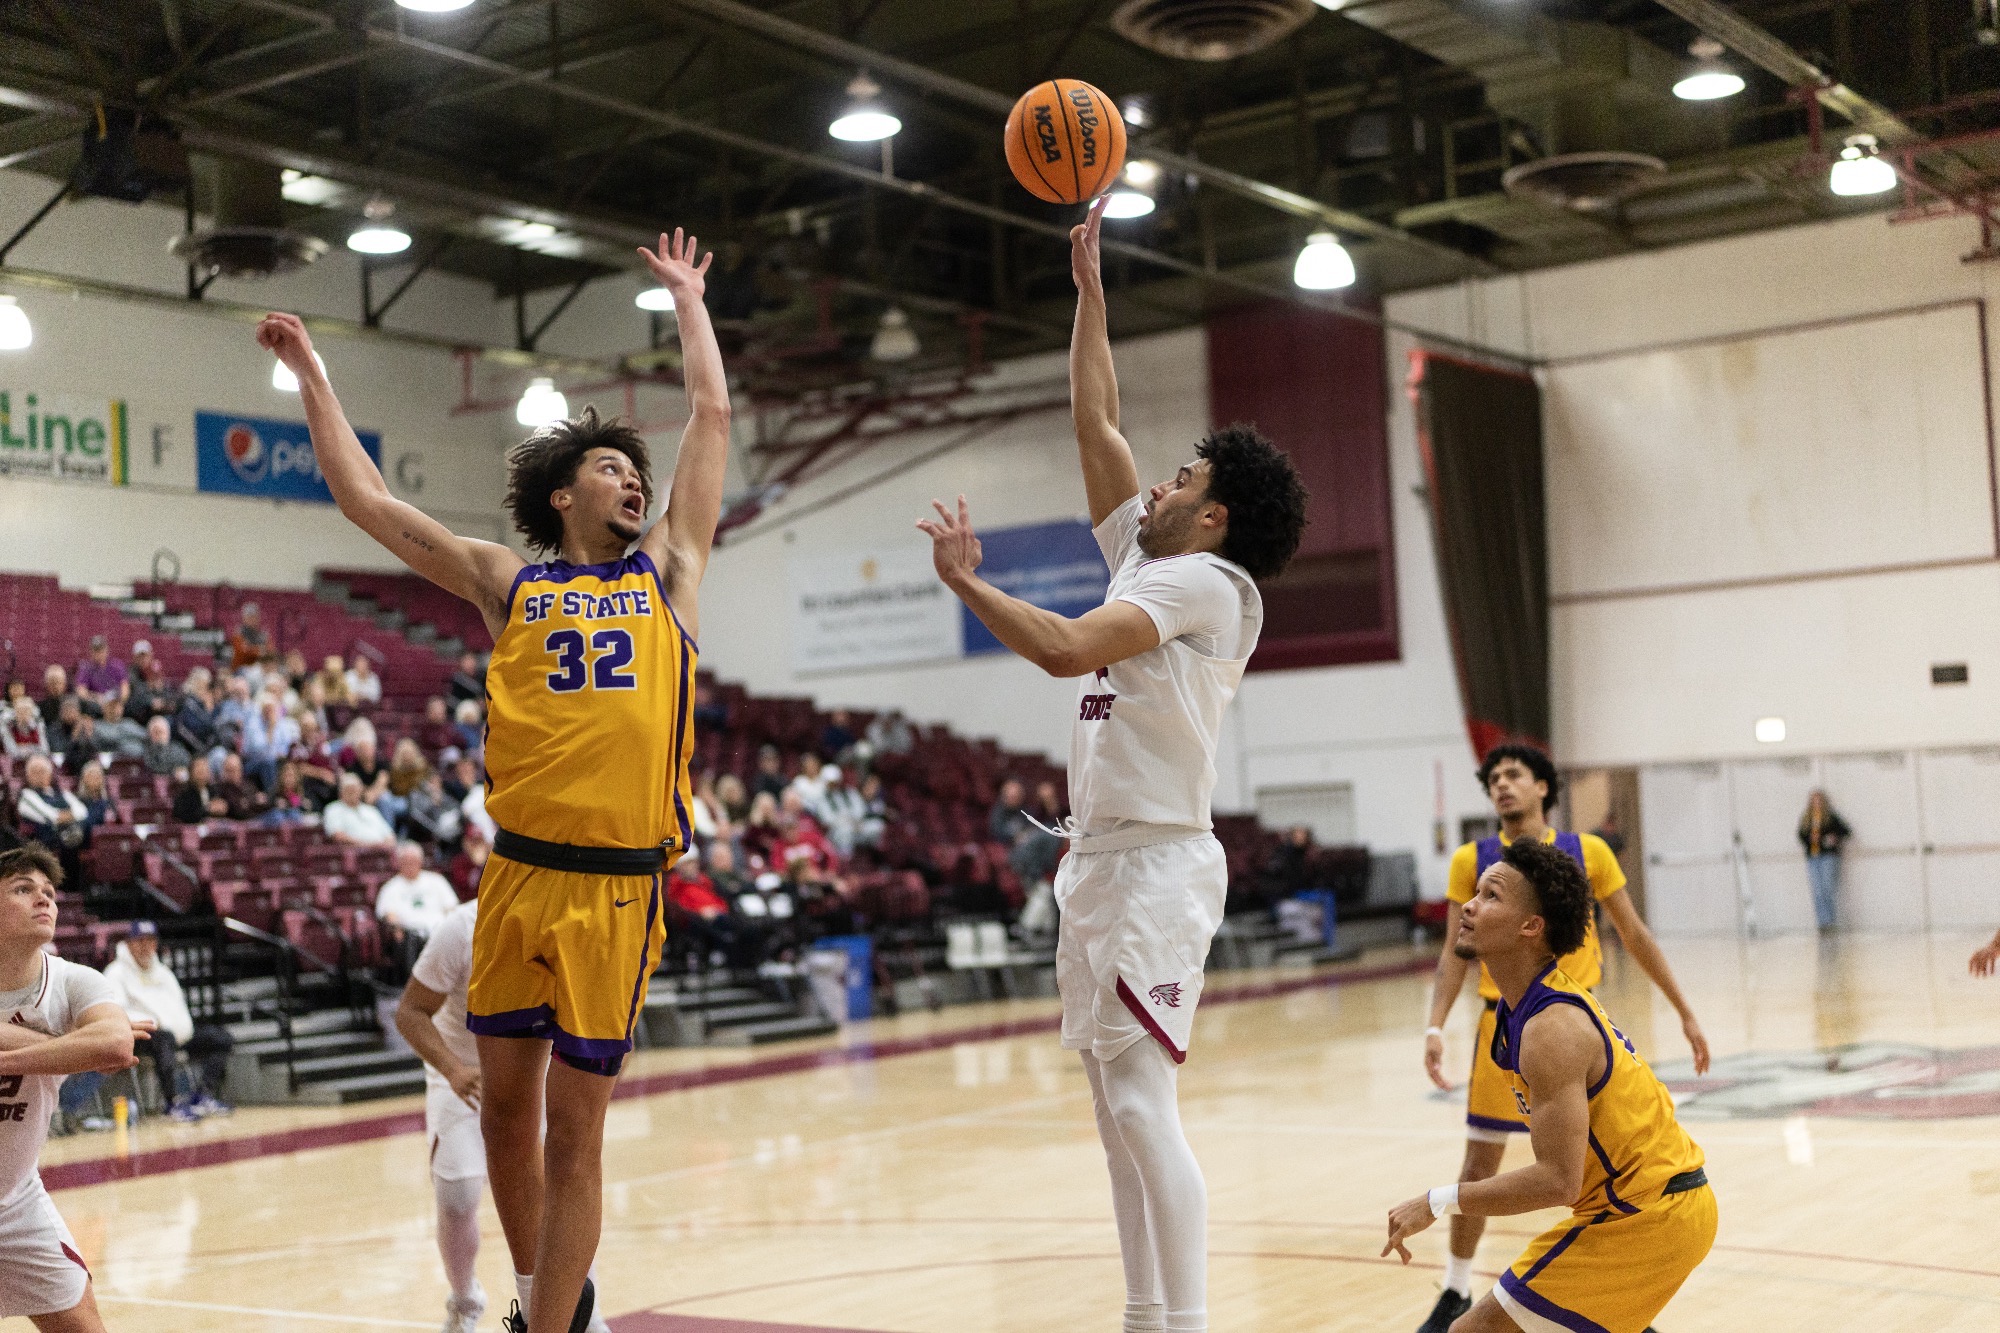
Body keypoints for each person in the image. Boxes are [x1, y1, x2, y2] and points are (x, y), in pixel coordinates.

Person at [258, 222, 730, 1333]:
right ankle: (538, 1302)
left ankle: (555, 1325)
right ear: (563, 494)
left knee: (579, 1130)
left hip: (618, 882)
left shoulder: (670, 570)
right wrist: (316, 376)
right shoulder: (505, 581)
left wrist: (689, 303)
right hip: (514, 876)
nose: (632, 480)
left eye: (635, 472)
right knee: (505, 1117)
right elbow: (370, 505)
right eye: (611, 467)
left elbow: (709, 417)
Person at [912, 196, 1310, 1333]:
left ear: (1214, 515)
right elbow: (1098, 425)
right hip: (1097, 863)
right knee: (1110, 1110)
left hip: (1156, 867)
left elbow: (1062, 650)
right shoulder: (1154, 555)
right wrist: (1088, 294)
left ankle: (1182, 1324)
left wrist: (964, 583)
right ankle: (1143, 1315)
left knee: (1140, 1105)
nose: (1158, 483)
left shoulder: (1204, 586)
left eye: (1181, 479)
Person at [1415, 744, 1709, 1333]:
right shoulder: (1477, 862)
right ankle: (1454, 1284)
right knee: (1487, 1158)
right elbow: (1453, 953)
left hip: (1644, 1206)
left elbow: (1555, 1180)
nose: (1470, 908)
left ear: (1544, 786)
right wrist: (1434, 1024)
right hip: (1634, 1193)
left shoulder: (1557, 1025)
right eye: (1492, 777)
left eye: (1514, 774)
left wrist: (1431, 1200)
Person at [394, 901, 616, 1333]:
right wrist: (454, 1070)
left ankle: (584, 1316)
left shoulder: (571, 918)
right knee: (457, 1196)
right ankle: (464, 1300)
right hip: (463, 1074)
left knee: (563, 1191)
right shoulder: (461, 927)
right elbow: (409, 1012)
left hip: (533, 1075)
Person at [0, 844, 147, 1332]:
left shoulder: (71, 980)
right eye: (23, 889)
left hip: (15, 1198)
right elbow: (102, 1045)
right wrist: (70, 1048)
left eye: (49, 892)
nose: (44, 900)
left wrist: (16, 1060)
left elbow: (113, 1043)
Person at [103, 921, 233, 1122]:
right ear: (129, 943)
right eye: (140, 941)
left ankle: (203, 1095)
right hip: (139, 1035)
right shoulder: (115, 972)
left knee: (221, 1039)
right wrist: (153, 1022)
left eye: (151, 941)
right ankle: (171, 1103)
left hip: (174, 1033)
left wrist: (183, 1028)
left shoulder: (163, 972)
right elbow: (115, 1011)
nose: (146, 946)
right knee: (164, 1040)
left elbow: (179, 1005)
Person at [15, 755, 91, 887]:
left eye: (42, 771)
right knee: (66, 836)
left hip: (70, 835)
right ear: (27, 775)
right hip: (45, 840)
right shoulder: (27, 795)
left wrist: (66, 817)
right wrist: (69, 816)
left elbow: (83, 812)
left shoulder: (62, 793)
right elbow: (52, 816)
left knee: (88, 826)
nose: (38, 775)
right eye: (34, 772)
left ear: (50, 774)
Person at [1797, 790, 1850, 933]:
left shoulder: (1831, 818)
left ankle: (1830, 922)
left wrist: (1833, 838)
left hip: (1828, 857)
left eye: (1819, 800)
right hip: (1813, 857)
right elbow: (1801, 836)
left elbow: (1846, 831)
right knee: (1817, 891)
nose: (1817, 803)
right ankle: (1822, 923)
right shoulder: (1807, 819)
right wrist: (1810, 840)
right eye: (1814, 801)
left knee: (1827, 889)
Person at [241, 694, 299, 793]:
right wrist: (271, 729)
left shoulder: (280, 723)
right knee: (268, 762)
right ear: (262, 709)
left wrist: (280, 753)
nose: (269, 712)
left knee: (290, 765)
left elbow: (286, 746)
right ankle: (272, 795)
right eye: (267, 709)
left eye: (271, 709)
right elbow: (260, 751)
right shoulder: (253, 724)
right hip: (252, 762)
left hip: (276, 760)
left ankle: (292, 796)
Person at [323, 773, 397, 847]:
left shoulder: (371, 810)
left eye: (355, 789)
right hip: (355, 853)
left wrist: (386, 846)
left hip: (381, 851)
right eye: (349, 790)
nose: (352, 793)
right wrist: (367, 845)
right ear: (341, 792)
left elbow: (389, 834)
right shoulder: (333, 809)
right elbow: (337, 836)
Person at [72, 637, 127, 712]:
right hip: (97, 704)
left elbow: (125, 688)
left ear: (107, 650)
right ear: (91, 652)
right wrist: (95, 698)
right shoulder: (86, 668)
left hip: (116, 701)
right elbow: (81, 691)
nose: (99, 654)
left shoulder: (117, 665)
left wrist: (119, 702)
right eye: (96, 651)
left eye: (101, 650)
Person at [171, 756, 231, 825]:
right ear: (191, 772)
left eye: (205, 769)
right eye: (199, 769)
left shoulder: (214, 790)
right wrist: (207, 809)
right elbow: (183, 816)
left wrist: (222, 808)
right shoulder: (184, 792)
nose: (202, 771)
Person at [226, 602, 268, 670]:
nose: (251, 619)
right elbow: (242, 652)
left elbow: (269, 652)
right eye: (249, 616)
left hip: (260, 667)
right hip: (241, 668)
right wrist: (258, 650)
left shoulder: (263, 635)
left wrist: (251, 649)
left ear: (258, 618)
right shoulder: (238, 632)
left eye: (254, 616)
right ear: (244, 618)